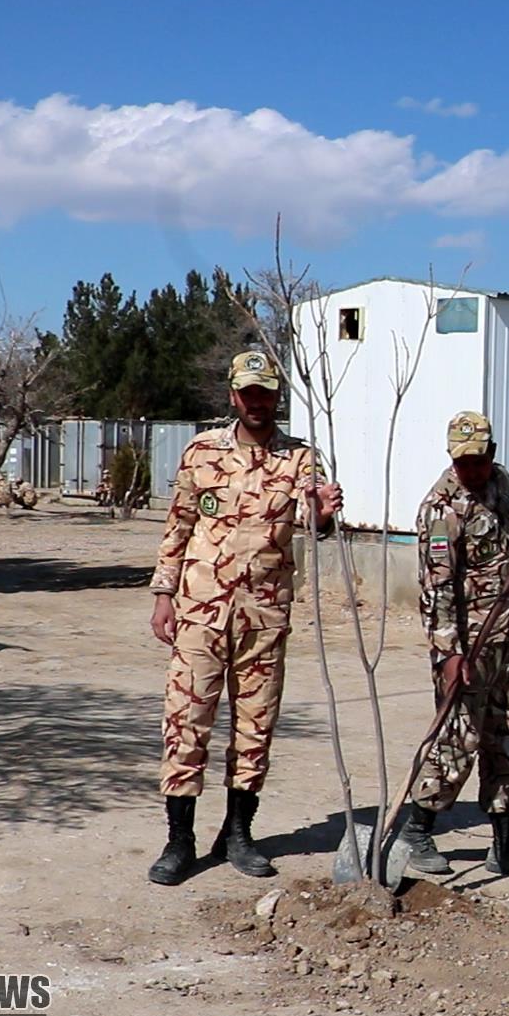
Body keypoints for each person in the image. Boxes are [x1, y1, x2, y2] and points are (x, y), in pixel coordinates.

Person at [145, 350, 343, 886]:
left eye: (266, 393)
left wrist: (322, 515)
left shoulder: (301, 459)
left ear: (278, 397)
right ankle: (179, 841)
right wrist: (164, 594)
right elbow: (179, 525)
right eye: (248, 393)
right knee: (186, 722)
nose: (258, 402)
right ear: (233, 395)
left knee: (255, 728)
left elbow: (313, 521)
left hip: (263, 615)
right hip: (200, 613)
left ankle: (238, 833)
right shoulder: (202, 450)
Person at [397, 411, 509, 882]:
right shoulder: (440, 509)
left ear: (491, 453)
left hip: (505, 640)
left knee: (507, 737)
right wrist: (450, 655)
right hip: (465, 647)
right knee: (458, 740)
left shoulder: (499, 483)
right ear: (452, 458)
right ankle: (417, 829)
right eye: (463, 461)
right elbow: (438, 589)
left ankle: (508, 845)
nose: (473, 469)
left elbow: (501, 537)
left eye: (480, 459)